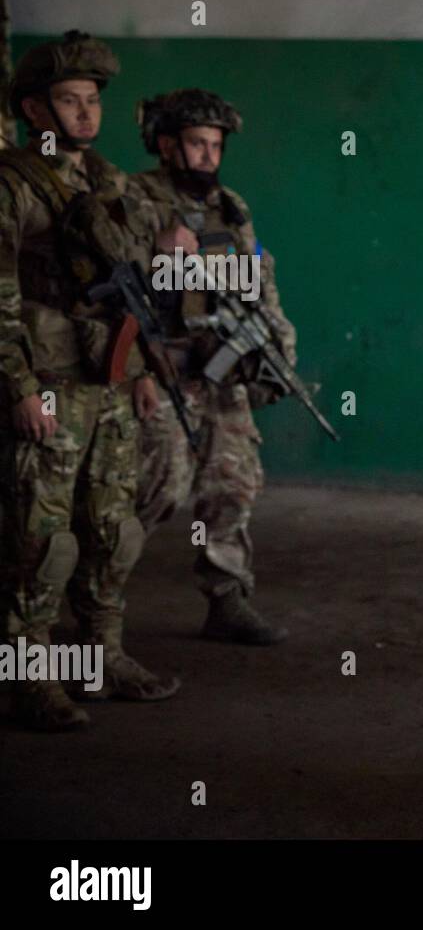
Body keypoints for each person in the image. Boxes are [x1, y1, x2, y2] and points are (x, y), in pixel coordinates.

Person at [0, 30, 181, 730]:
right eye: (69, 101)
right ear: (36, 111)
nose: (84, 114)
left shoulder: (107, 181)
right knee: (43, 542)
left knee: (114, 529)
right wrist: (17, 385)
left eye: (92, 101)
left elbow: (127, 291)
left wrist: (137, 371)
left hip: (106, 382)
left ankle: (101, 654)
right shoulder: (14, 182)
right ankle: (30, 674)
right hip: (46, 380)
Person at [130, 88, 296, 645]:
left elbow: (258, 280)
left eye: (215, 145)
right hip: (162, 370)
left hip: (222, 373)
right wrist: (157, 252)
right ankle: (93, 600)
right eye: (196, 144)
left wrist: (276, 347)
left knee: (234, 484)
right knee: (157, 487)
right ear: (166, 145)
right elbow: (110, 281)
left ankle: (226, 599)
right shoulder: (135, 200)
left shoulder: (230, 207)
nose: (207, 155)